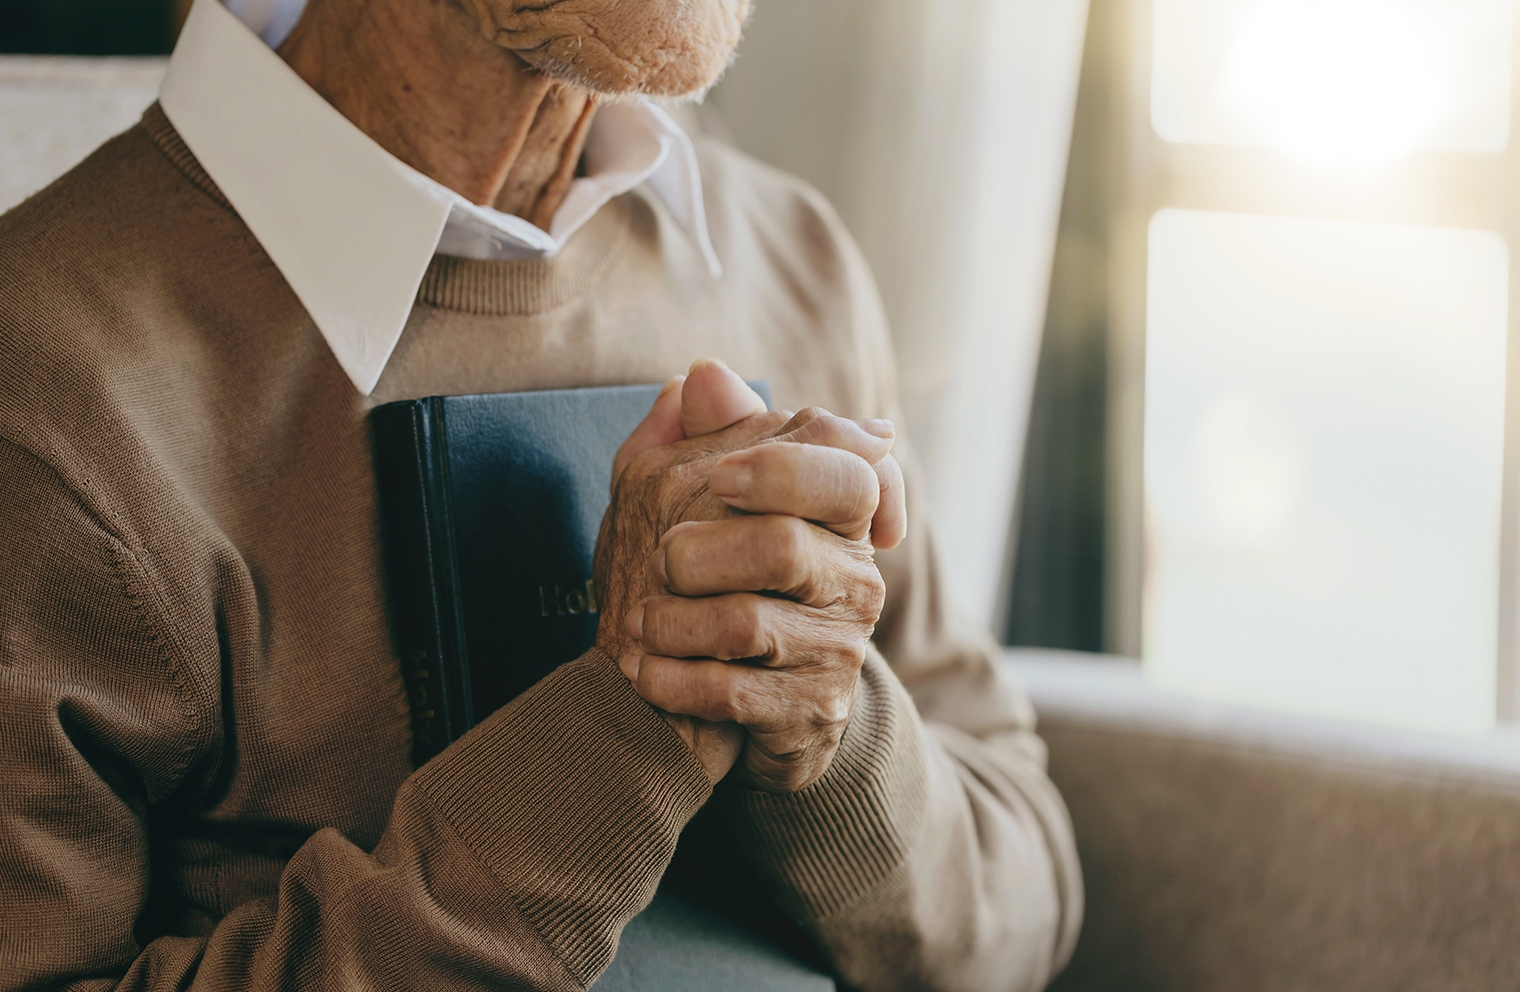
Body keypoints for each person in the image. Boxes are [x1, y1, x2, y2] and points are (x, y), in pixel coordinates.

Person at [0, 0, 1082, 988]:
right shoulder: (46, 381)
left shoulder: (793, 258)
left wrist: (823, 726)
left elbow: (1018, 910)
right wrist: (619, 734)